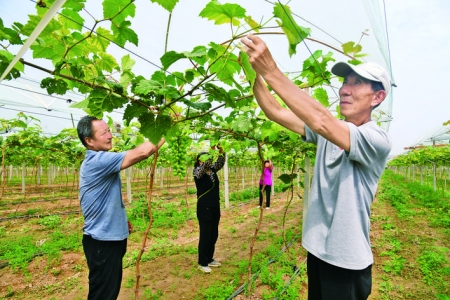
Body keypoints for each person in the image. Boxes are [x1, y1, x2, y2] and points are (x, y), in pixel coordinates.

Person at [241, 34, 393, 299]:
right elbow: (275, 112)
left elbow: (322, 120)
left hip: (346, 260)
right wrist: (253, 71)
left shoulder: (376, 139)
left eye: (357, 84)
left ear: (377, 97)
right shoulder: (326, 133)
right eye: (345, 81)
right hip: (317, 250)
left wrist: (272, 70)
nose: (345, 89)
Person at [77, 115, 165, 300]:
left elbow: (104, 198)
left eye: (109, 130)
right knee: (103, 295)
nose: (110, 135)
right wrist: (166, 126)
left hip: (107, 238)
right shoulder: (99, 160)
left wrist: (120, 220)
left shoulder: (96, 160)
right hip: (103, 242)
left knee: (108, 291)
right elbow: (142, 152)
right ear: (89, 141)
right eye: (104, 133)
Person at [193, 144, 225, 273]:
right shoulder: (198, 171)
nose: (208, 161)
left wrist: (221, 151)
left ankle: (210, 258)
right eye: (205, 158)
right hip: (204, 207)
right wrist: (212, 152)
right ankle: (202, 262)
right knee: (205, 234)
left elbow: (220, 163)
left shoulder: (211, 171)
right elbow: (207, 165)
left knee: (213, 233)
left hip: (214, 205)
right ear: (200, 161)